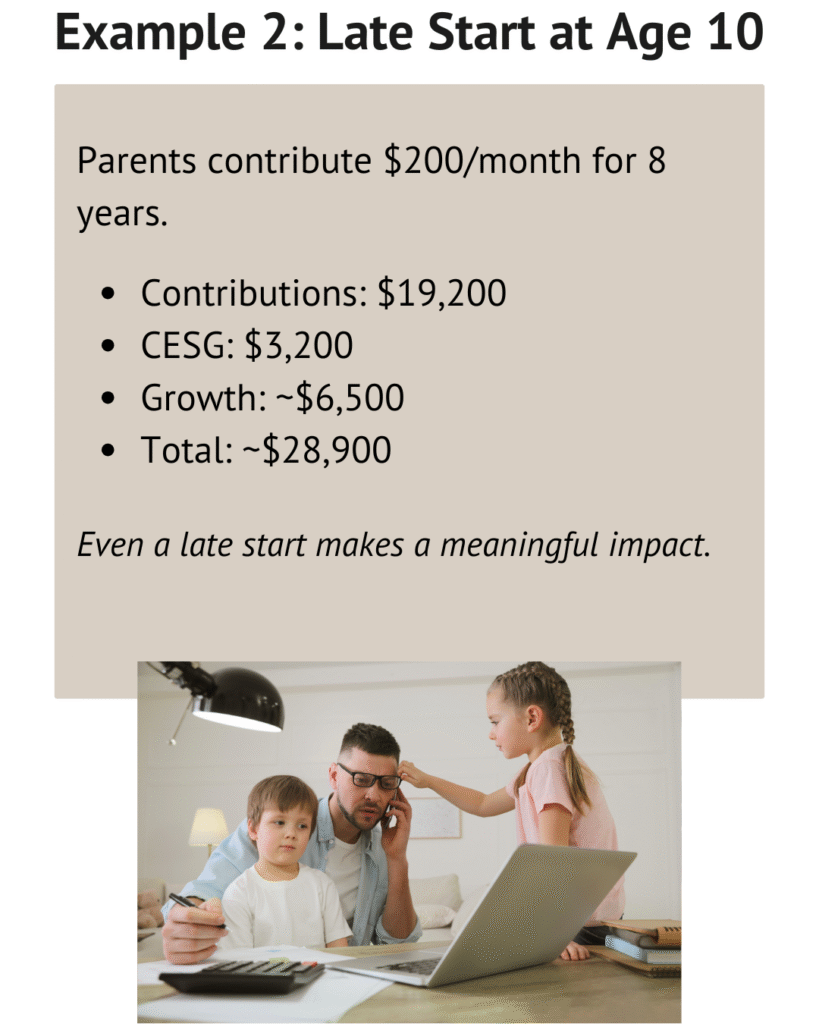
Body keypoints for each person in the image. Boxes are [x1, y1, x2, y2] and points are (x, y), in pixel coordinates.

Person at [398, 661, 624, 962]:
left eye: (495, 721)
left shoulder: (548, 769)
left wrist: (558, 933)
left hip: (577, 926)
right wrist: (428, 781)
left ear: (532, 718)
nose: (491, 734)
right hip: (587, 921)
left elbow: (554, 862)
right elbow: (482, 804)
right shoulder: (540, 768)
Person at [162, 723, 420, 964]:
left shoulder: (384, 849)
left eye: (387, 784)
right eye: (361, 779)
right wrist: (186, 923)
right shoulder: (276, 826)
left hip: (342, 976)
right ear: (333, 776)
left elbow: (398, 943)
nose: (373, 795)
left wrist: (397, 859)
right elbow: (206, 890)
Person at [219, 775, 351, 949]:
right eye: (279, 822)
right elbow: (239, 959)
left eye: (302, 826)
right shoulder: (239, 892)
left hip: (321, 968)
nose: (291, 834)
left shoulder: (322, 885)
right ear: (253, 829)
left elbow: (339, 949)